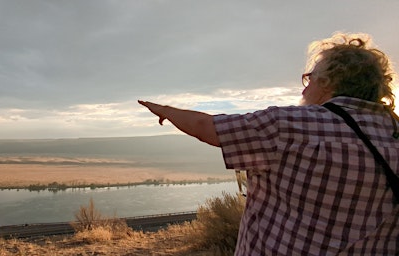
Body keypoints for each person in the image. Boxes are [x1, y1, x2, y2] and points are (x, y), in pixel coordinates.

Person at [138, 32, 399, 255]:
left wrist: (164, 110)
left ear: (327, 81)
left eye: (309, 78)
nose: (304, 88)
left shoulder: (288, 126)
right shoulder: (393, 133)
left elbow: (206, 127)